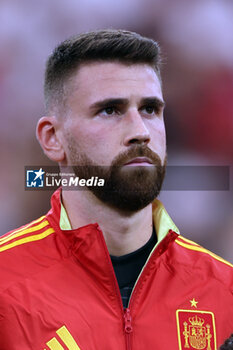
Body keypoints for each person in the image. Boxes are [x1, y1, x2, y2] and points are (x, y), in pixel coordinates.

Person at [0, 29, 232, 350]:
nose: (140, 131)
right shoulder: (5, 284)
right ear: (53, 138)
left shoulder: (225, 292)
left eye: (150, 109)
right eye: (110, 110)